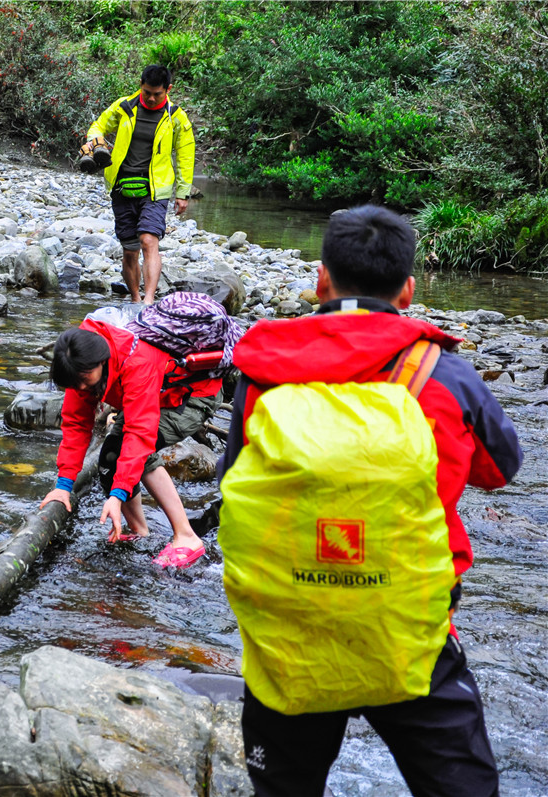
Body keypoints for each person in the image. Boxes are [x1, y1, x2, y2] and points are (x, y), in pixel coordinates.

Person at [218, 206, 522, 796]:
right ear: (408, 291)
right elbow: (500, 469)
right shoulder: (444, 371)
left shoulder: (263, 371)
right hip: (410, 632)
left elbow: (235, 480)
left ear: (320, 280)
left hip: (291, 634)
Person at [38, 308, 222, 566]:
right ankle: (140, 532)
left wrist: (118, 495)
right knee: (110, 458)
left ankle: (187, 537)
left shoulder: (136, 361)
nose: (80, 388)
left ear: (101, 361)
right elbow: (77, 424)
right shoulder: (79, 363)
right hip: (154, 394)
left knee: (130, 451)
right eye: (73, 383)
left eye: (84, 380)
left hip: (192, 396)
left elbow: (139, 436)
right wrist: (63, 486)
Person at [83, 64, 195, 304]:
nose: (152, 98)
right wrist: (95, 142)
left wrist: (183, 193)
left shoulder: (176, 117)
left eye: (158, 94)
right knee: (130, 248)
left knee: (148, 240)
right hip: (122, 184)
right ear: (140, 86)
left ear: (168, 89)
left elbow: (186, 154)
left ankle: (149, 300)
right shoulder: (124, 106)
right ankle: (135, 299)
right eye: (147, 92)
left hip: (156, 187)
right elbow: (98, 126)